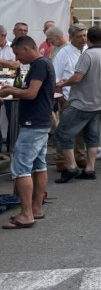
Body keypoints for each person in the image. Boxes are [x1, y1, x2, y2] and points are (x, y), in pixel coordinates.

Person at [1, 35, 55, 229]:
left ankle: (26, 214)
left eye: (17, 53)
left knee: (21, 168)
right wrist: (11, 89)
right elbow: (26, 89)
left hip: (34, 123)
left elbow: (31, 93)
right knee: (39, 166)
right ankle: (36, 208)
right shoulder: (39, 64)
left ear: (26, 49)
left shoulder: (39, 64)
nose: (17, 58)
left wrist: (10, 92)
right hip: (39, 121)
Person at [54, 26, 101, 182]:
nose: (83, 39)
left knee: (63, 133)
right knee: (92, 137)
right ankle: (90, 169)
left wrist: (63, 83)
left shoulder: (87, 55)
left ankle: (71, 168)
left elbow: (77, 77)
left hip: (82, 102)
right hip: (98, 102)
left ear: (89, 39)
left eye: (85, 36)